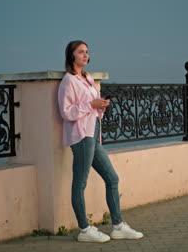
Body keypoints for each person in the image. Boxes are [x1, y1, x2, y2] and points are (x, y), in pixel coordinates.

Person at [58, 40, 144, 243]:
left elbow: (90, 107)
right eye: (81, 52)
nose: (85, 55)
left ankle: (118, 226)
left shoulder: (88, 78)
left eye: (87, 52)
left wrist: (100, 106)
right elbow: (66, 112)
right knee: (80, 183)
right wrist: (91, 104)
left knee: (112, 178)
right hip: (80, 137)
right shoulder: (68, 81)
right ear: (71, 56)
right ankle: (84, 230)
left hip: (93, 134)